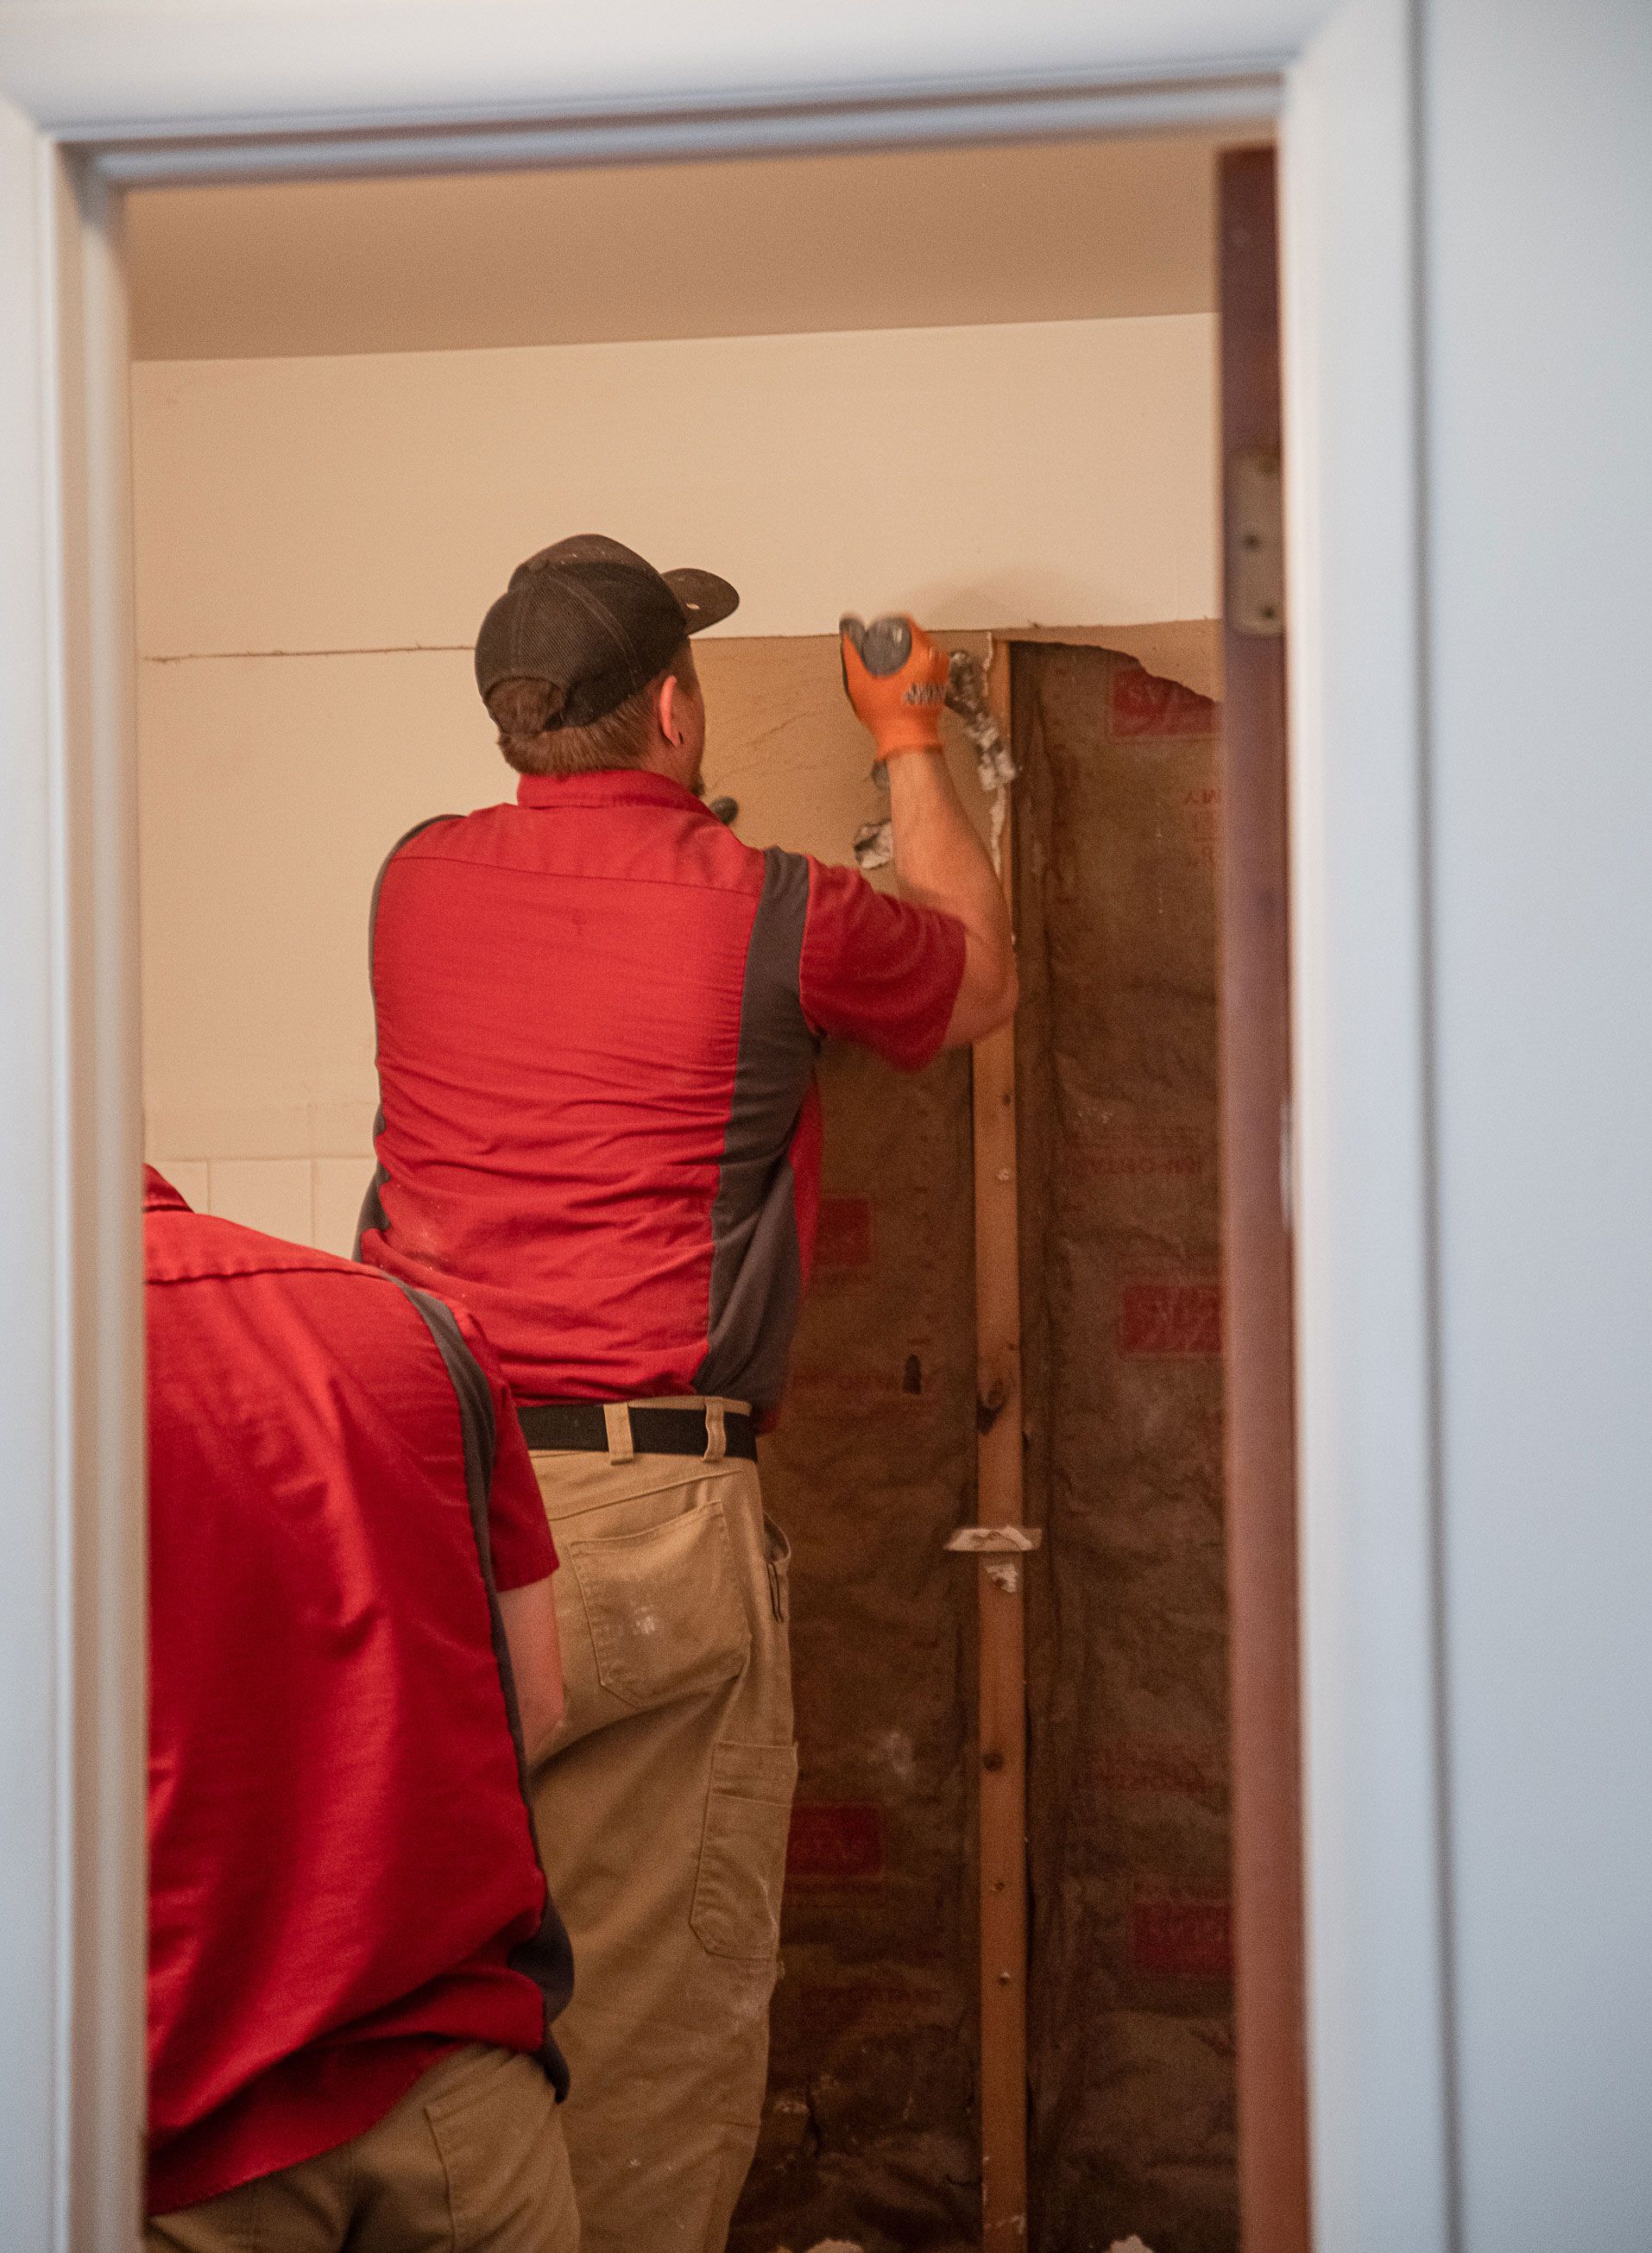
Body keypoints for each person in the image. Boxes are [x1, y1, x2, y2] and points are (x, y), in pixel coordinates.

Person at [356, 533, 1018, 2253]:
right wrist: (906, 734)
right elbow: (976, 975)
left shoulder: (413, 879)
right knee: (644, 2036)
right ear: (672, 707)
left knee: (429, 2006)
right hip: (639, 1522)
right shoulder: (774, 913)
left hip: (418, 1514)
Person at [143, 1165, 579, 2253]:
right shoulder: (418, 1327)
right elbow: (537, 1704)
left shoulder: (42, 1349)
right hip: (464, 2116)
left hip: (172, 2142)